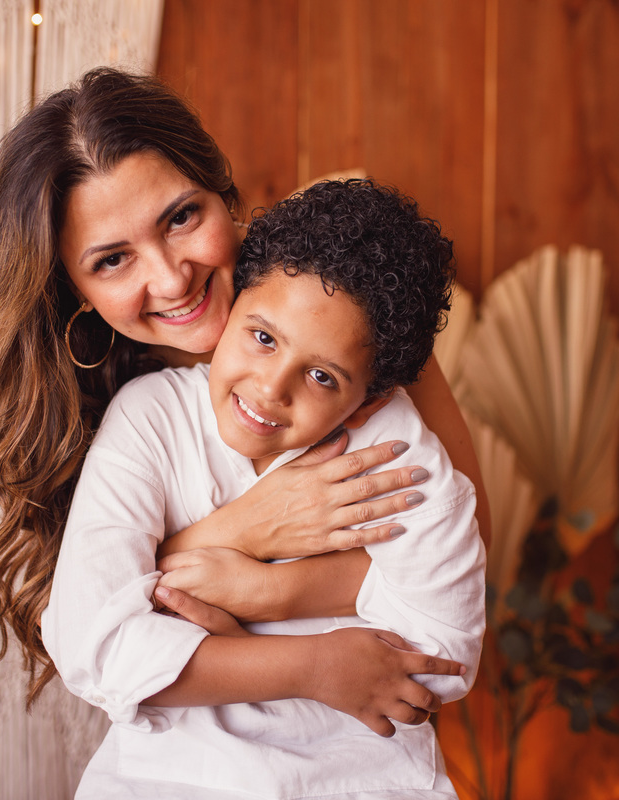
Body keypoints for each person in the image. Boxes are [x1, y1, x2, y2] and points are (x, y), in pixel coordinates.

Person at [0, 67, 489, 712]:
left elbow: (466, 552)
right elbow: (80, 618)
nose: (173, 279)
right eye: (112, 260)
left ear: (223, 195)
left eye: (180, 217)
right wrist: (246, 529)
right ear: (75, 290)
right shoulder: (119, 411)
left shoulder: (336, 305)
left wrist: (272, 593)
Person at [44, 178, 485, 798]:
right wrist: (314, 666)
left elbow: (441, 655)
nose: (274, 388)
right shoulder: (151, 420)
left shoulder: (395, 454)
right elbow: (97, 645)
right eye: (263, 337)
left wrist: (261, 599)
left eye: (322, 376)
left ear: (367, 401)